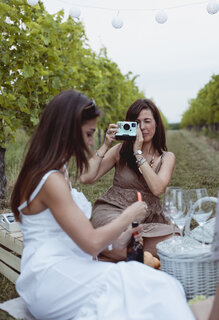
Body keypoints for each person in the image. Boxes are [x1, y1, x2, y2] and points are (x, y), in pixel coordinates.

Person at [11, 90, 194, 320]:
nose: (91, 141)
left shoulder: (55, 172)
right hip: (51, 276)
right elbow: (91, 241)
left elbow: (157, 189)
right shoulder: (51, 179)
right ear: (66, 130)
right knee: (156, 287)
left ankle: (131, 256)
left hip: (66, 265)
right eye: (89, 134)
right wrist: (128, 216)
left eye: (147, 121)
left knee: (154, 283)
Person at [80, 98, 177, 261]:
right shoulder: (119, 150)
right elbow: (86, 177)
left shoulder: (167, 157)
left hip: (147, 219)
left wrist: (138, 153)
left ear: (156, 124)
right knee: (124, 233)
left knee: (174, 237)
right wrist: (105, 145)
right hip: (113, 212)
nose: (142, 128)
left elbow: (157, 188)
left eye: (147, 121)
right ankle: (127, 249)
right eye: (136, 123)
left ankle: (114, 250)